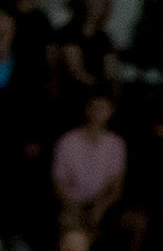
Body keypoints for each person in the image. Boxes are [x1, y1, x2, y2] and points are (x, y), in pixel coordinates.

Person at [51, 93, 126, 237]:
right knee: (69, 224)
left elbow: (116, 187)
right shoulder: (68, 141)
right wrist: (73, 208)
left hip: (101, 205)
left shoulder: (116, 144)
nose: (98, 112)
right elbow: (58, 182)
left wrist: (100, 208)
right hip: (71, 204)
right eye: (94, 107)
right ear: (87, 109)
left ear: (111, 112)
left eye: (103, 108)